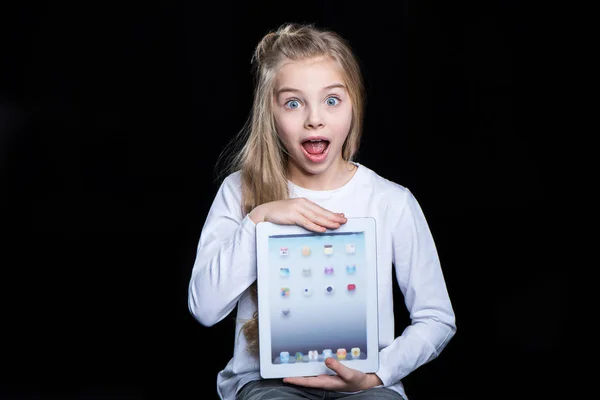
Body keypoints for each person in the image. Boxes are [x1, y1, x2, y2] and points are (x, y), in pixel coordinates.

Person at [188, 22, 456, 400]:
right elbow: (204, 307)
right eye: (293, 103)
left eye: (332, 100)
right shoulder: (239, 190)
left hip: (364, 383)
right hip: (267, 384)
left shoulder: (391, 202)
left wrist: (376, 375)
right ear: (271, 114)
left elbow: (437, 318)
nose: (315, 118)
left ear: (354, 105)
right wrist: (259, 218)